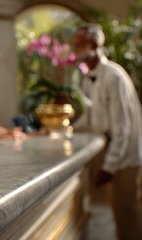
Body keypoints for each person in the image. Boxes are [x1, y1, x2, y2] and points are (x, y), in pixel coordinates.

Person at [72, 23, 142, 239]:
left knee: (127, 218)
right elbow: (90, 118)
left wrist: (109, 167)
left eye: (79, 44)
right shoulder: (88, 78)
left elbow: (122, 127)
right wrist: (64, 130)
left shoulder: (114, 76)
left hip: (125, 159)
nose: (74, 49)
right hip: (106, 154)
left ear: (94, 45)